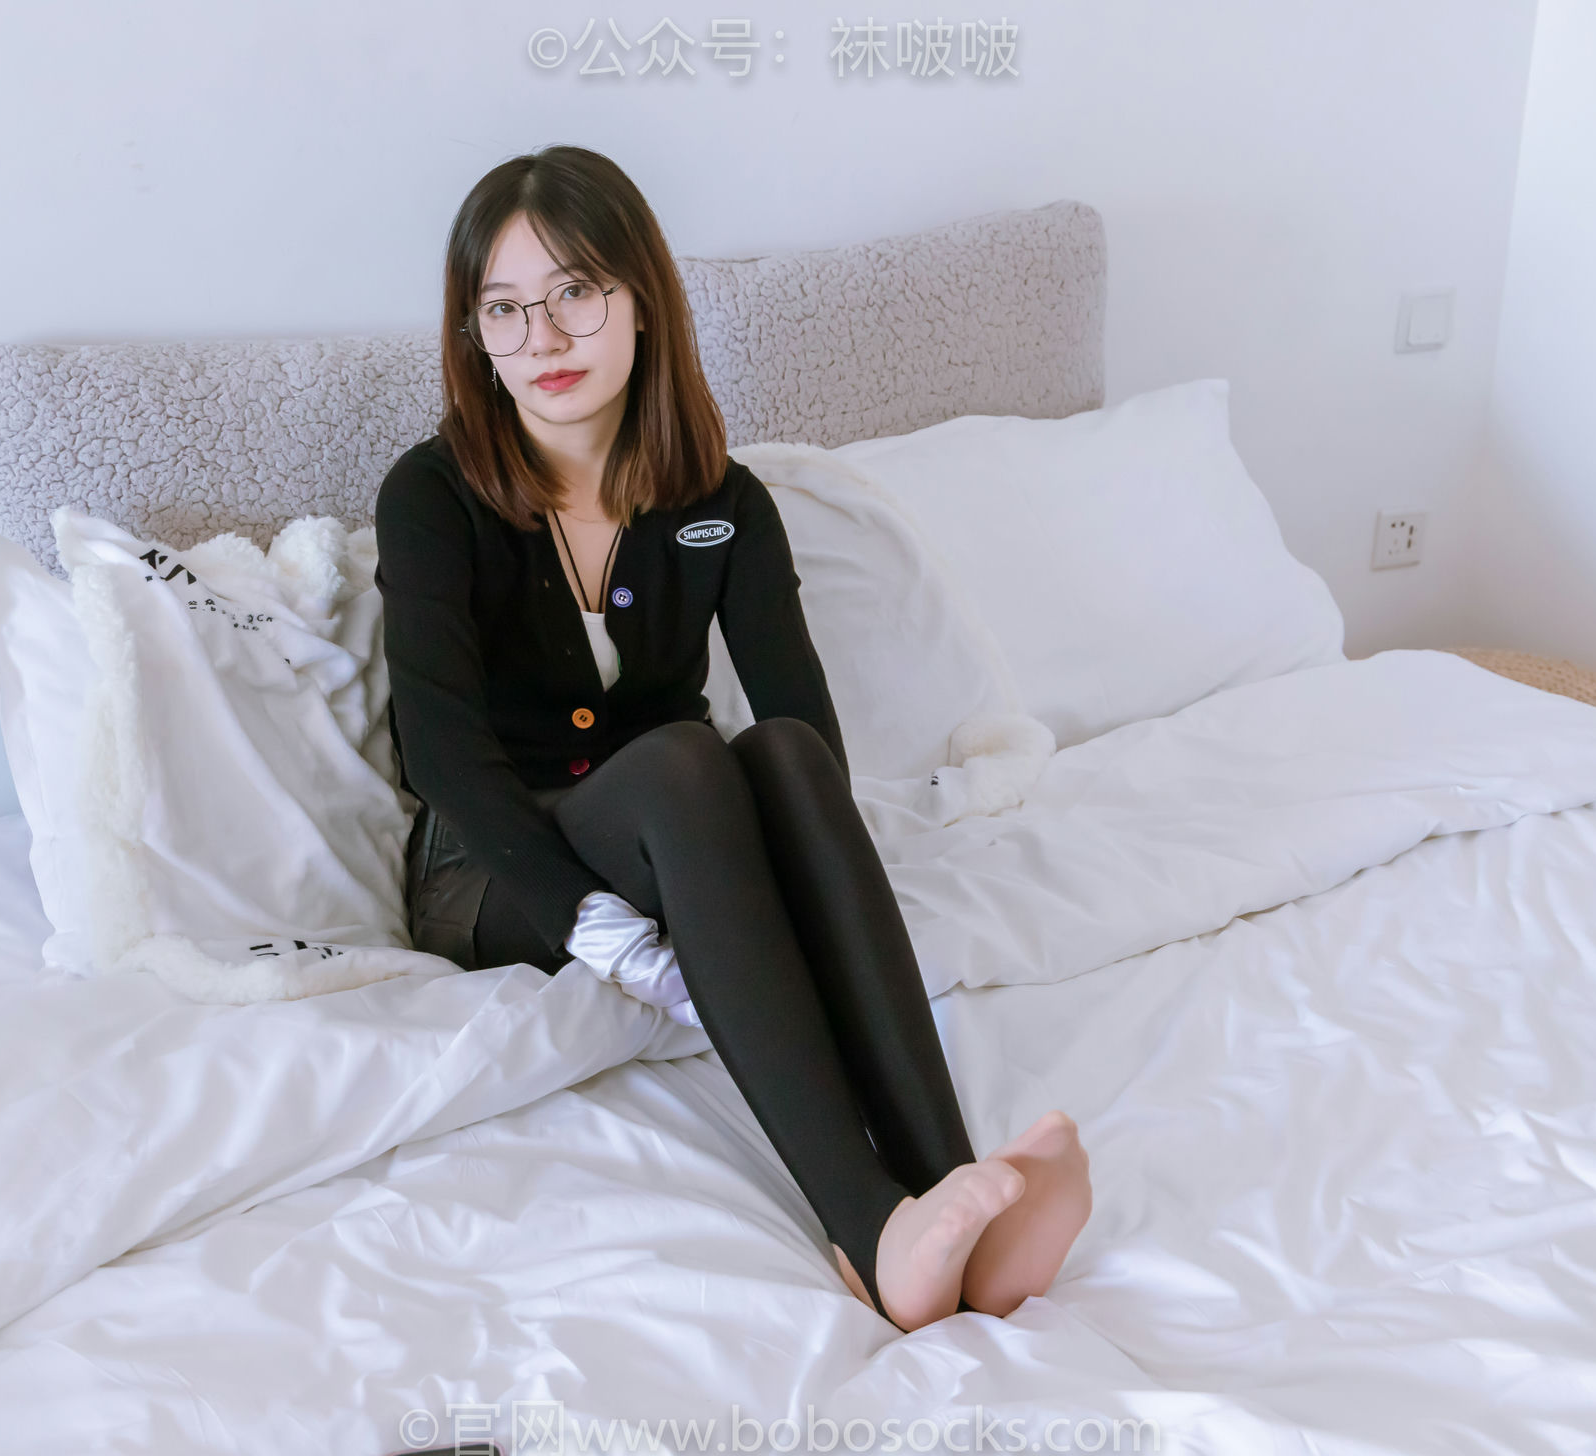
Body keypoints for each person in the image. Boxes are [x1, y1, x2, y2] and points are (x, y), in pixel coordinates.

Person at [372, 145, 1091, 1333]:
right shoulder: (431, 496)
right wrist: (600, 929)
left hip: (676, 830)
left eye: (574, 291)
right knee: (681, 759)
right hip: (493, 869)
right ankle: (869, 1226)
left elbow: (804, 727)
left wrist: (799, 875)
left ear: (641, 298)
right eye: (504, 309)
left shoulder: (723, 502)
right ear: (473, 334)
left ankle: (958, 1193)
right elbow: (444, 758)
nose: (542, 338)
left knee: (788, 756)